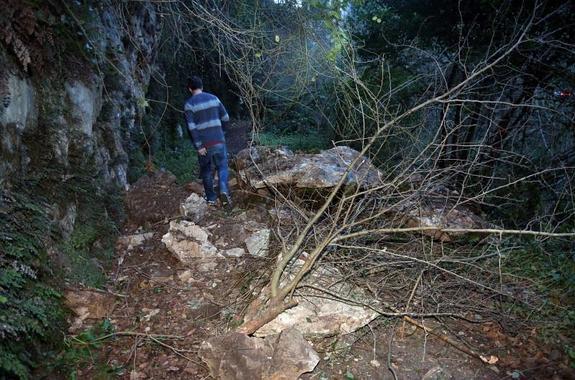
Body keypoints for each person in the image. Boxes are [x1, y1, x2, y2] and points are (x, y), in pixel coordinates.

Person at [184, 76, 232, 207]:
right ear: (202, 86)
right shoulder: (214, 98)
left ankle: (211, 198)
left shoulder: (189, 105)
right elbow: (226, 117)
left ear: (190, 89)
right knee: (222, 166)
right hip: (218, 139)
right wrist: (222, 133)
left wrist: (198, 146)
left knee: (206, 170)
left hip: (204, 144)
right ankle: (223, 190)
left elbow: (191, 127)